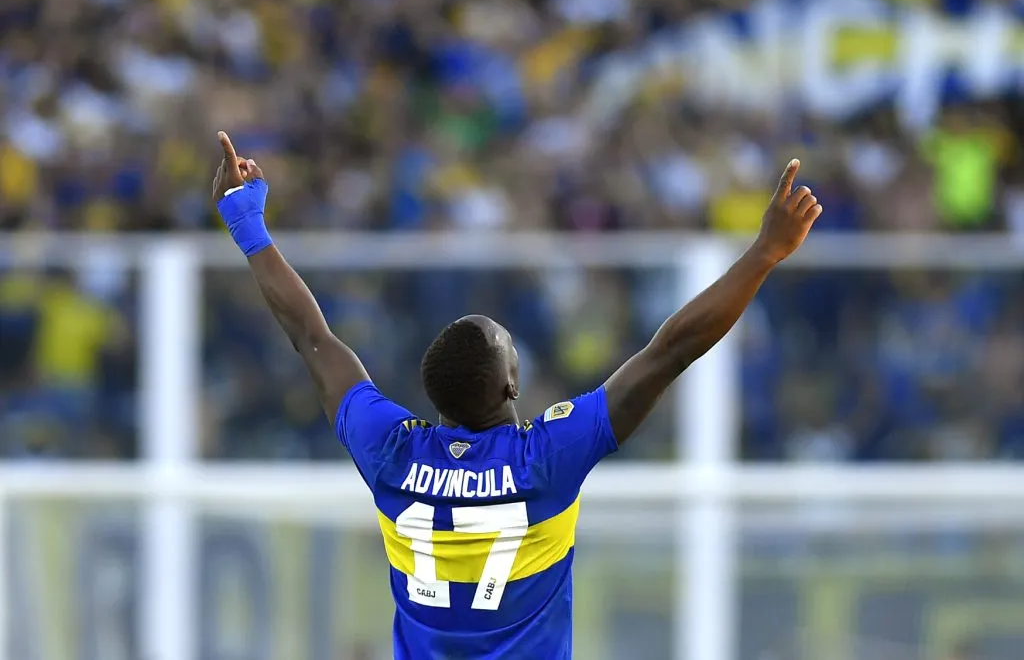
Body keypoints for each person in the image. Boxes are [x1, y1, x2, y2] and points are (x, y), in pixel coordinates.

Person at [211, 131, 821, 660]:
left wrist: (248, 224)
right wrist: (766, 251)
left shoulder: (389, 450)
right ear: (511, 385)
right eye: (510, 346)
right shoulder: (547, 457)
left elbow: (311, 339)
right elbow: (671, 350)